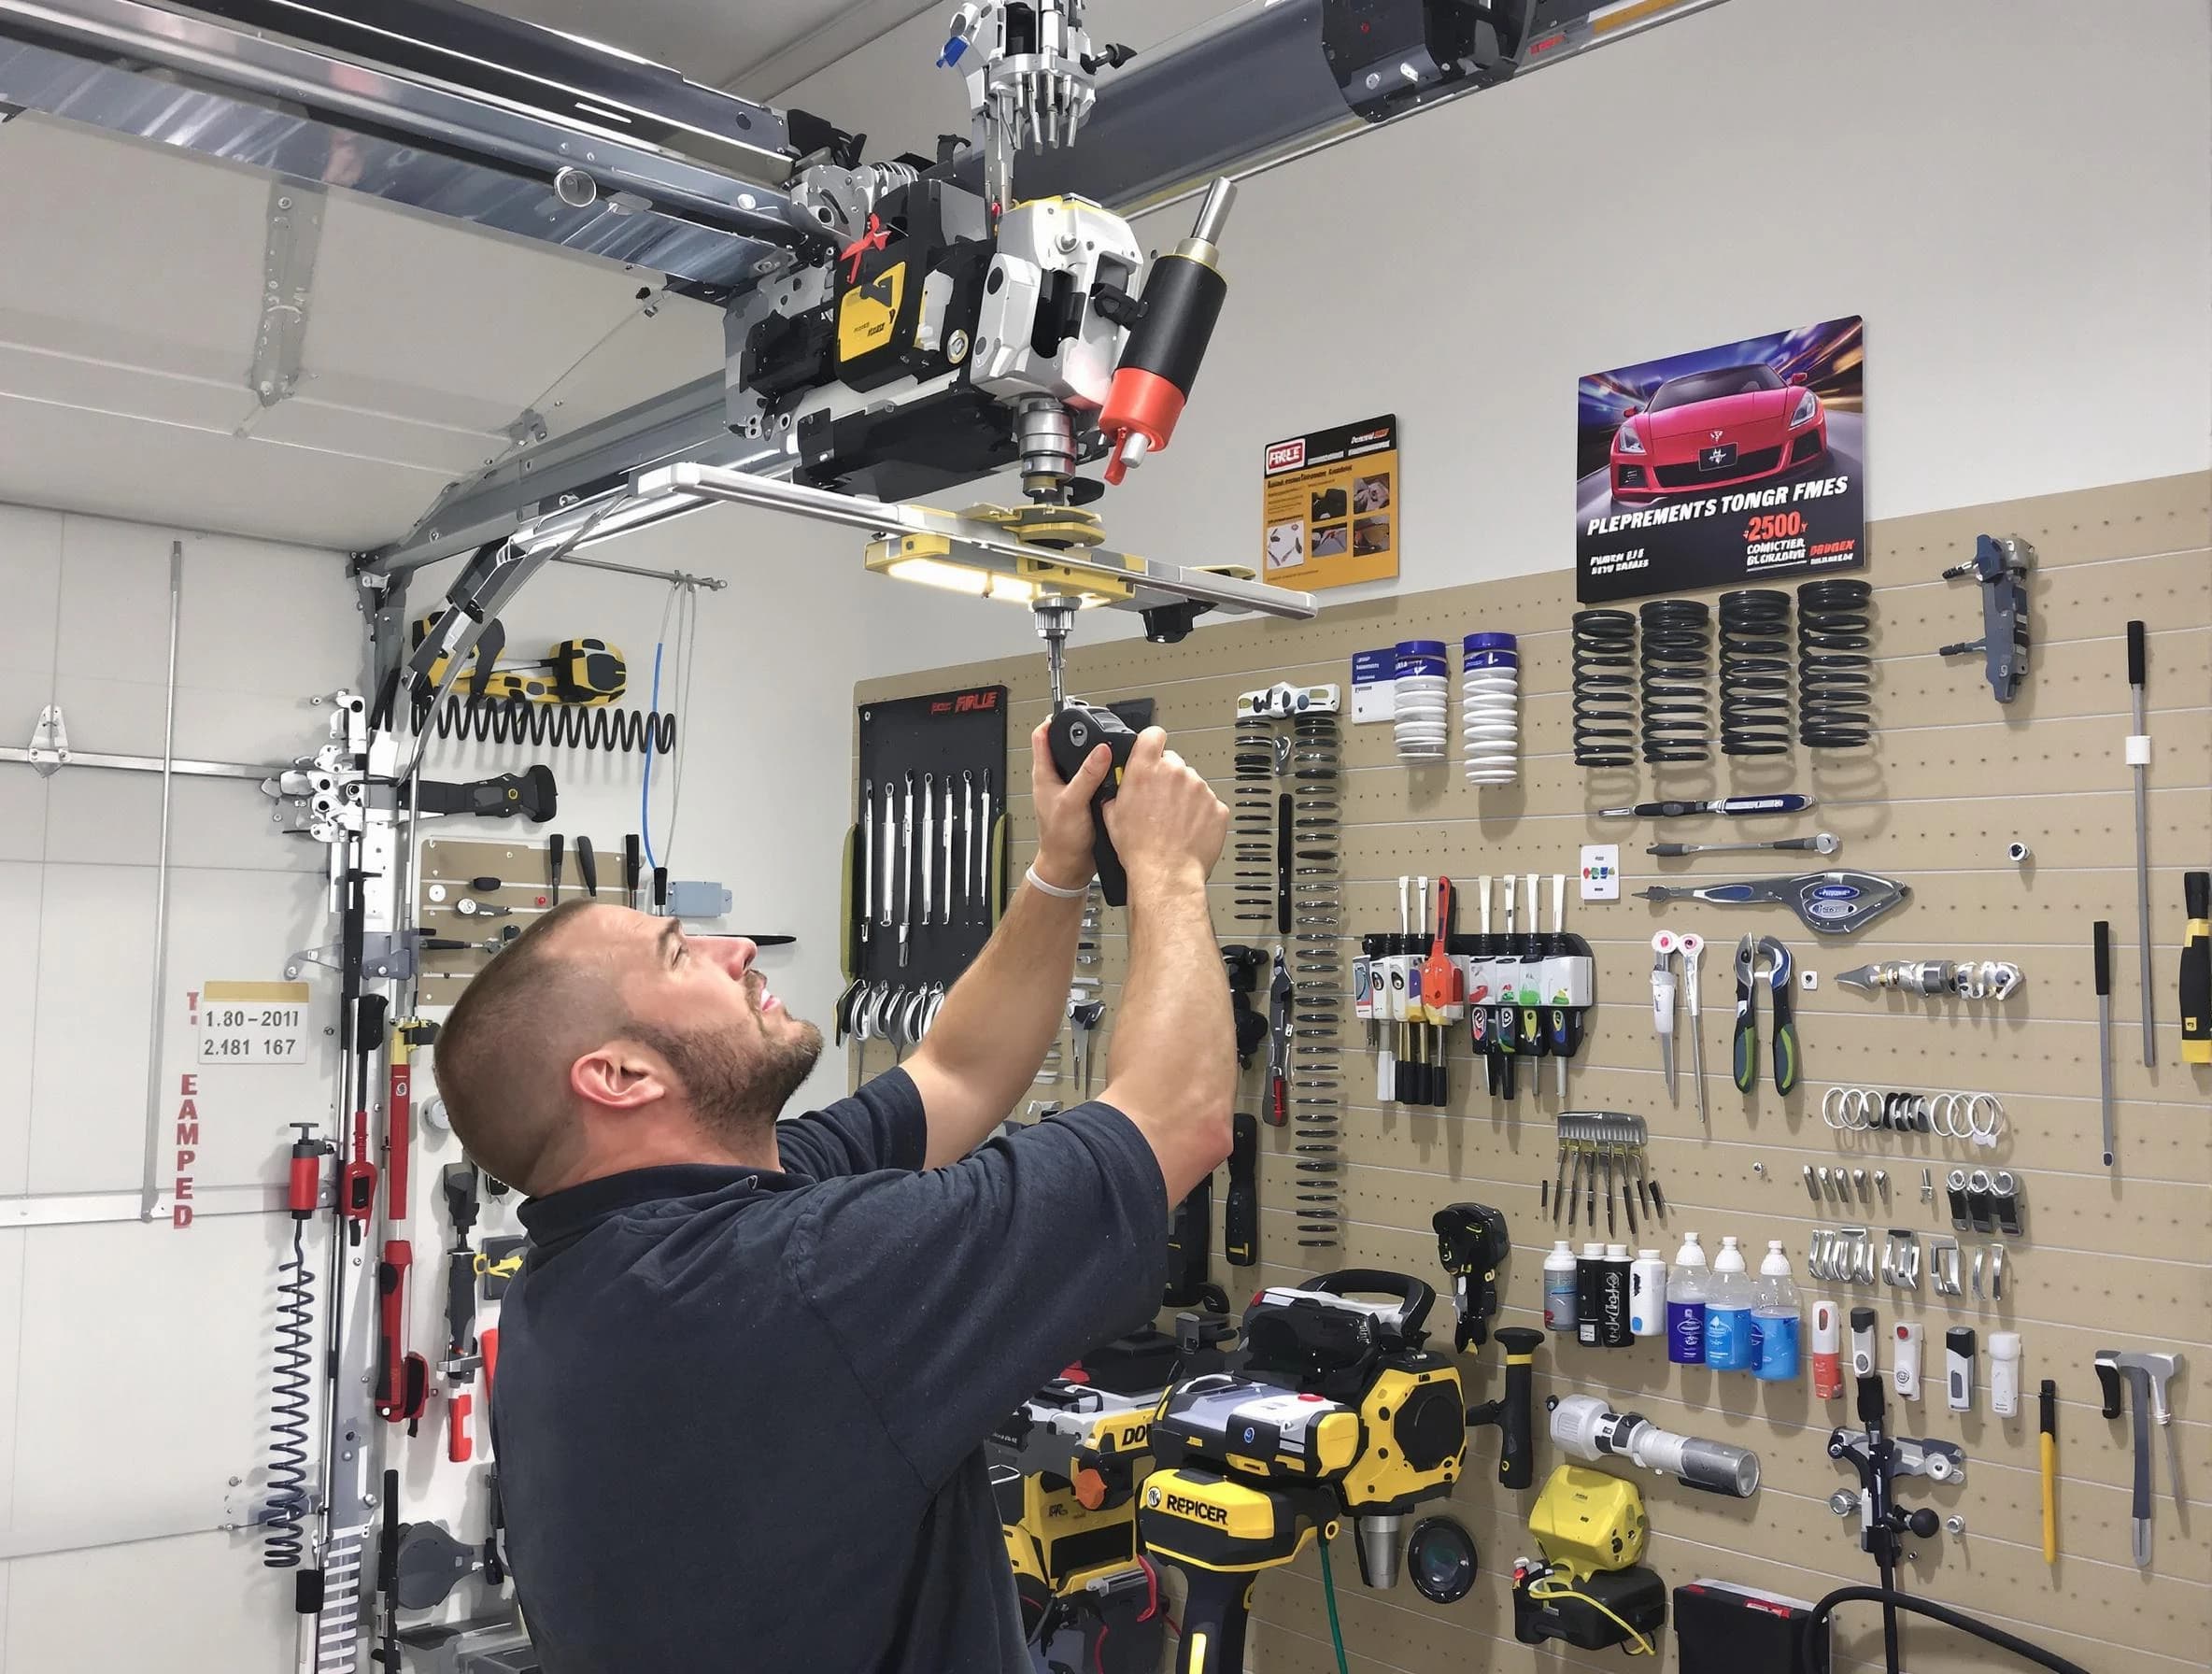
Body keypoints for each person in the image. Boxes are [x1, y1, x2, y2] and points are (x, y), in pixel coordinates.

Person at [430, 721, 1235, 1673]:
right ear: (619, 1074)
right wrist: (1169, 872)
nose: (735, 948)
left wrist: (1060, 866)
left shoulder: (606, 1264)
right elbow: (1179, 1118)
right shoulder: (794, 1278)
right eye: (681, 952)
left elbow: (955, 1074)